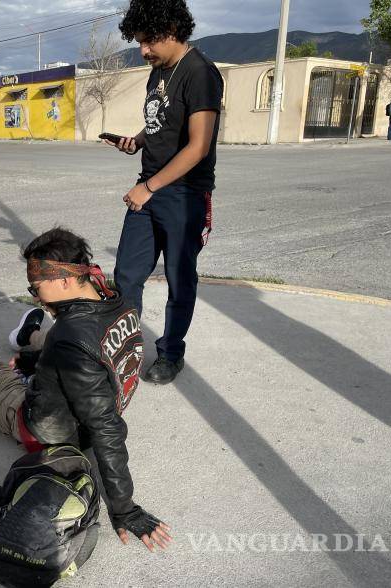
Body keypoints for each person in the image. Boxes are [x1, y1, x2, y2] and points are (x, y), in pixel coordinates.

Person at [0, 228, 172, 552]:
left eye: (36, 287)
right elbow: (84, 355)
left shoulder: (69, 338)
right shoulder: (119, 301)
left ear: (64, 280)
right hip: (76, 389)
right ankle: (29, 334)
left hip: (41, 429)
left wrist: (125, 509)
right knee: (51, 338)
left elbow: (107, 430)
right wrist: (34, 362)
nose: (35, 296)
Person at [104, 0, 223, 385]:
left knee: (179, 278)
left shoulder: (200, 73)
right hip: (150, 187)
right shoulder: (159, 70)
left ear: (172, 30)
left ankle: (171, 353)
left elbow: (198, 146)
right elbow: (162, 120)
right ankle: (127, 352)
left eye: (149, 41)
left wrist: (149, 187)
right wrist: (137, 140)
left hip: (184, 195)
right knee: (126, 275)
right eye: (139, 42)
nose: (143, 50)